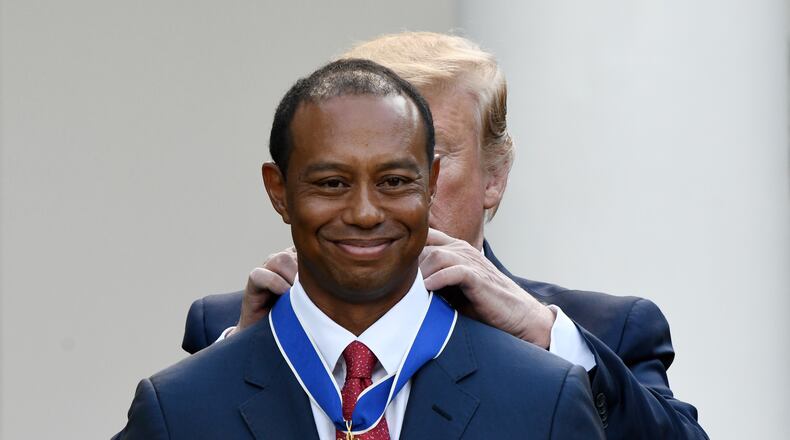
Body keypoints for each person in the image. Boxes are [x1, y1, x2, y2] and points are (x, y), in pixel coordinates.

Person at [182, 32, 710, 439]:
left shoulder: (601, 332)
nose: (372, 206)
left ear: (494, 176)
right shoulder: (231, 326)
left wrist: (548, 339)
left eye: (412, 163)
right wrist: (246, 355)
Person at [115, 59, 605, 440]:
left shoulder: (544, 399)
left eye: (394, 181)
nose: (366, 212)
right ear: (278, 190)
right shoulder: (180, 409)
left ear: (431, 184)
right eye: (332, 183)